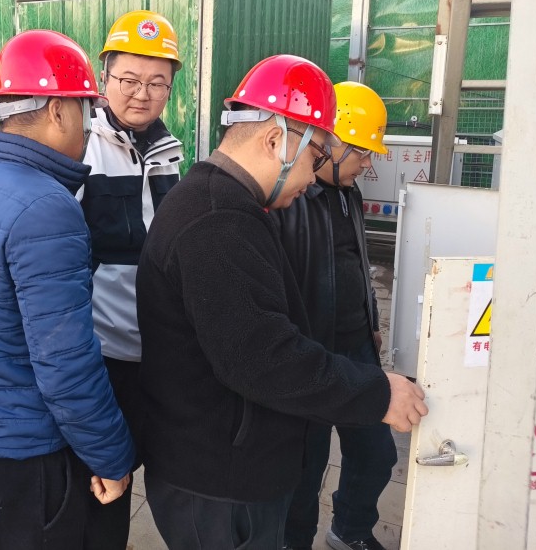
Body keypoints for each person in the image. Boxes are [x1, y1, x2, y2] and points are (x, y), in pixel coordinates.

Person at [136, 55, 428, 550]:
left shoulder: (231, 204)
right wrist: (377, 394)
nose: (313, 177)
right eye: (314, 157)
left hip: (230, 471)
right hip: (218, 489)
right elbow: (262, 358)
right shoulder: (217, 221)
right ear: (277, 140)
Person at [0, 29, 135, 550]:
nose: (88, 128)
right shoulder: (47, 208)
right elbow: (66, 363)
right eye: (86, 112)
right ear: (59, 111)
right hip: (22, 468)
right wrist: (112, 455)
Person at [274, 81, 397, 550]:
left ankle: (350, 530)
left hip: (357, 347)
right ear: (333, 142)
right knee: (305, 469)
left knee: (377, 453)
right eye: (362, 153)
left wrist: (370, 319)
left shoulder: (351, 193)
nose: (368, 164)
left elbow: (358, 260)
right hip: (312, 352)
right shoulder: (290, 200)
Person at [80, 10, 183, 549]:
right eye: (129, 79)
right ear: (105, 77)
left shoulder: (169, 150)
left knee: (147, 469)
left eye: (157, 83)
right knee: (101, 485)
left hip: (155, 351)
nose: (142, 94)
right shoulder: (82, 146)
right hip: (100, 355)